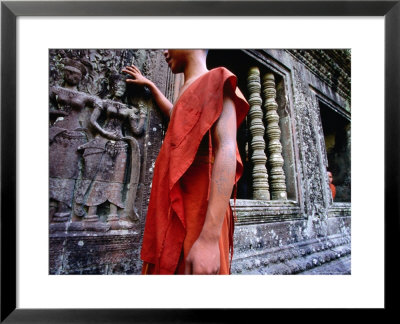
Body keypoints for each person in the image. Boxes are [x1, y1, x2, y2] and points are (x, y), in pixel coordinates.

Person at [123, 50, 249, 274]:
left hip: (200, 209)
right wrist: (151, 87)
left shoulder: (218, 79)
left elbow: (227, 149)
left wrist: (209, 238)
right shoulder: (187, 90)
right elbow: (177, 114)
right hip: (170, 204)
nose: (164, 51)